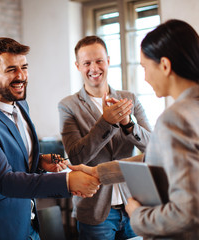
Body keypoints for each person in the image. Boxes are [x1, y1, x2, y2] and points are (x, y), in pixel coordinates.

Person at [0, 37, 100, 240]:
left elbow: (12, 155)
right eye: (11, 70)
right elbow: (5, 181)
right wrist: (67, 182)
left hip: (28, 225)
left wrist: (39, 161)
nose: (21, 76)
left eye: (24, 67)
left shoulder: (20, 104)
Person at [71, 19, 199, 239]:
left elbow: (187, 212)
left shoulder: (175, 119)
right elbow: (158, 158)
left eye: (145, 67)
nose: (145, 77)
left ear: (165, 66)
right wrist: (99, 172)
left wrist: (138, 214)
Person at [58, 36, 152, 240]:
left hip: (135, 204)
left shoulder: (130, 99)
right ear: (78, 66)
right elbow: (76, 156)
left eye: (99, 60)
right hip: (95, 210)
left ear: (108, 60)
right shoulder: (68, 106)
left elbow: (153, 148)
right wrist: (106, 122)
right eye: (87, 63)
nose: (94, 68)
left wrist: (128, 124)